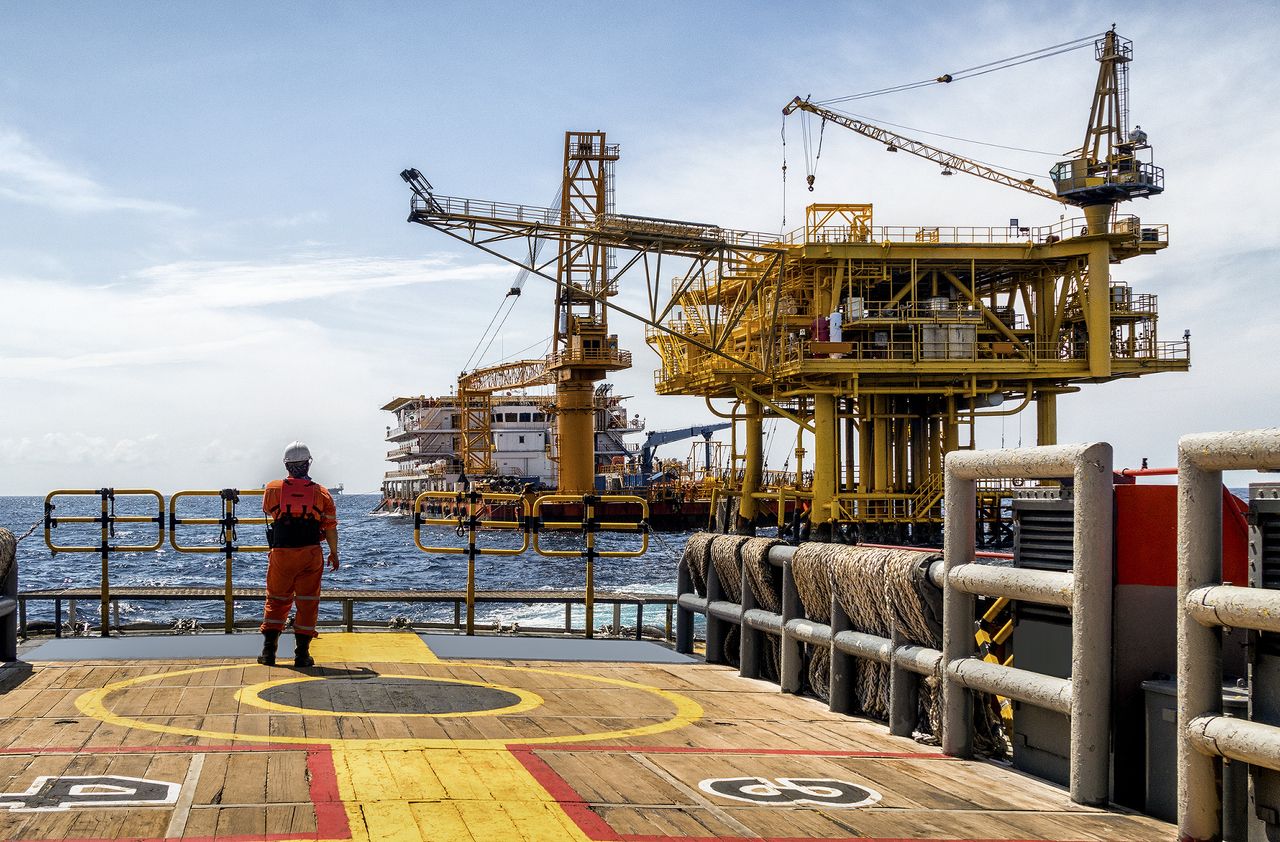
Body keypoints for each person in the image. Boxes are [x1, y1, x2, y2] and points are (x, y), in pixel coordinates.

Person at [258, 441, 338, 667]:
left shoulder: (272, 489)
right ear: (308, 464)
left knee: (276, 599)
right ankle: (302, 654)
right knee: (307, 602)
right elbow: (330, 527)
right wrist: (334, 553)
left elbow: (268, 510)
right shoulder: (322, 493)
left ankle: (268, 652)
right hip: (310, 554)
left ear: (286, 464)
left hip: (281, 553)